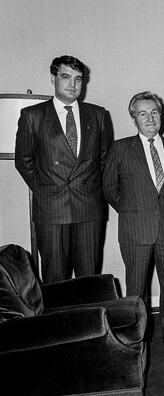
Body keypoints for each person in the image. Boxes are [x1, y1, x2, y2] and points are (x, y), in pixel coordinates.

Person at [15, 55, 113, 283]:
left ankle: (91, 320)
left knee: (90, 281)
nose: (73, 84)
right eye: (66, 77)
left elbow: (105, 160)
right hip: (51, 210)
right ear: (53, 78)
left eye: (78, 79)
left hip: (89, 209)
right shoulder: (33, 116)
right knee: (55, 281)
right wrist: (47, 188)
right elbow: (23, 161)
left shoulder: (98, 115)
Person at [103, 91, 164, 352]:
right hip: (135, 230)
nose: (150, 118)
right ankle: (134, 336)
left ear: (160, 116)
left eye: (154, 112)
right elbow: (109, 189)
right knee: (136, 288)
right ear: (134, 119)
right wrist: (133, 210)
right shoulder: (120, 148)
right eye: (143, 113)